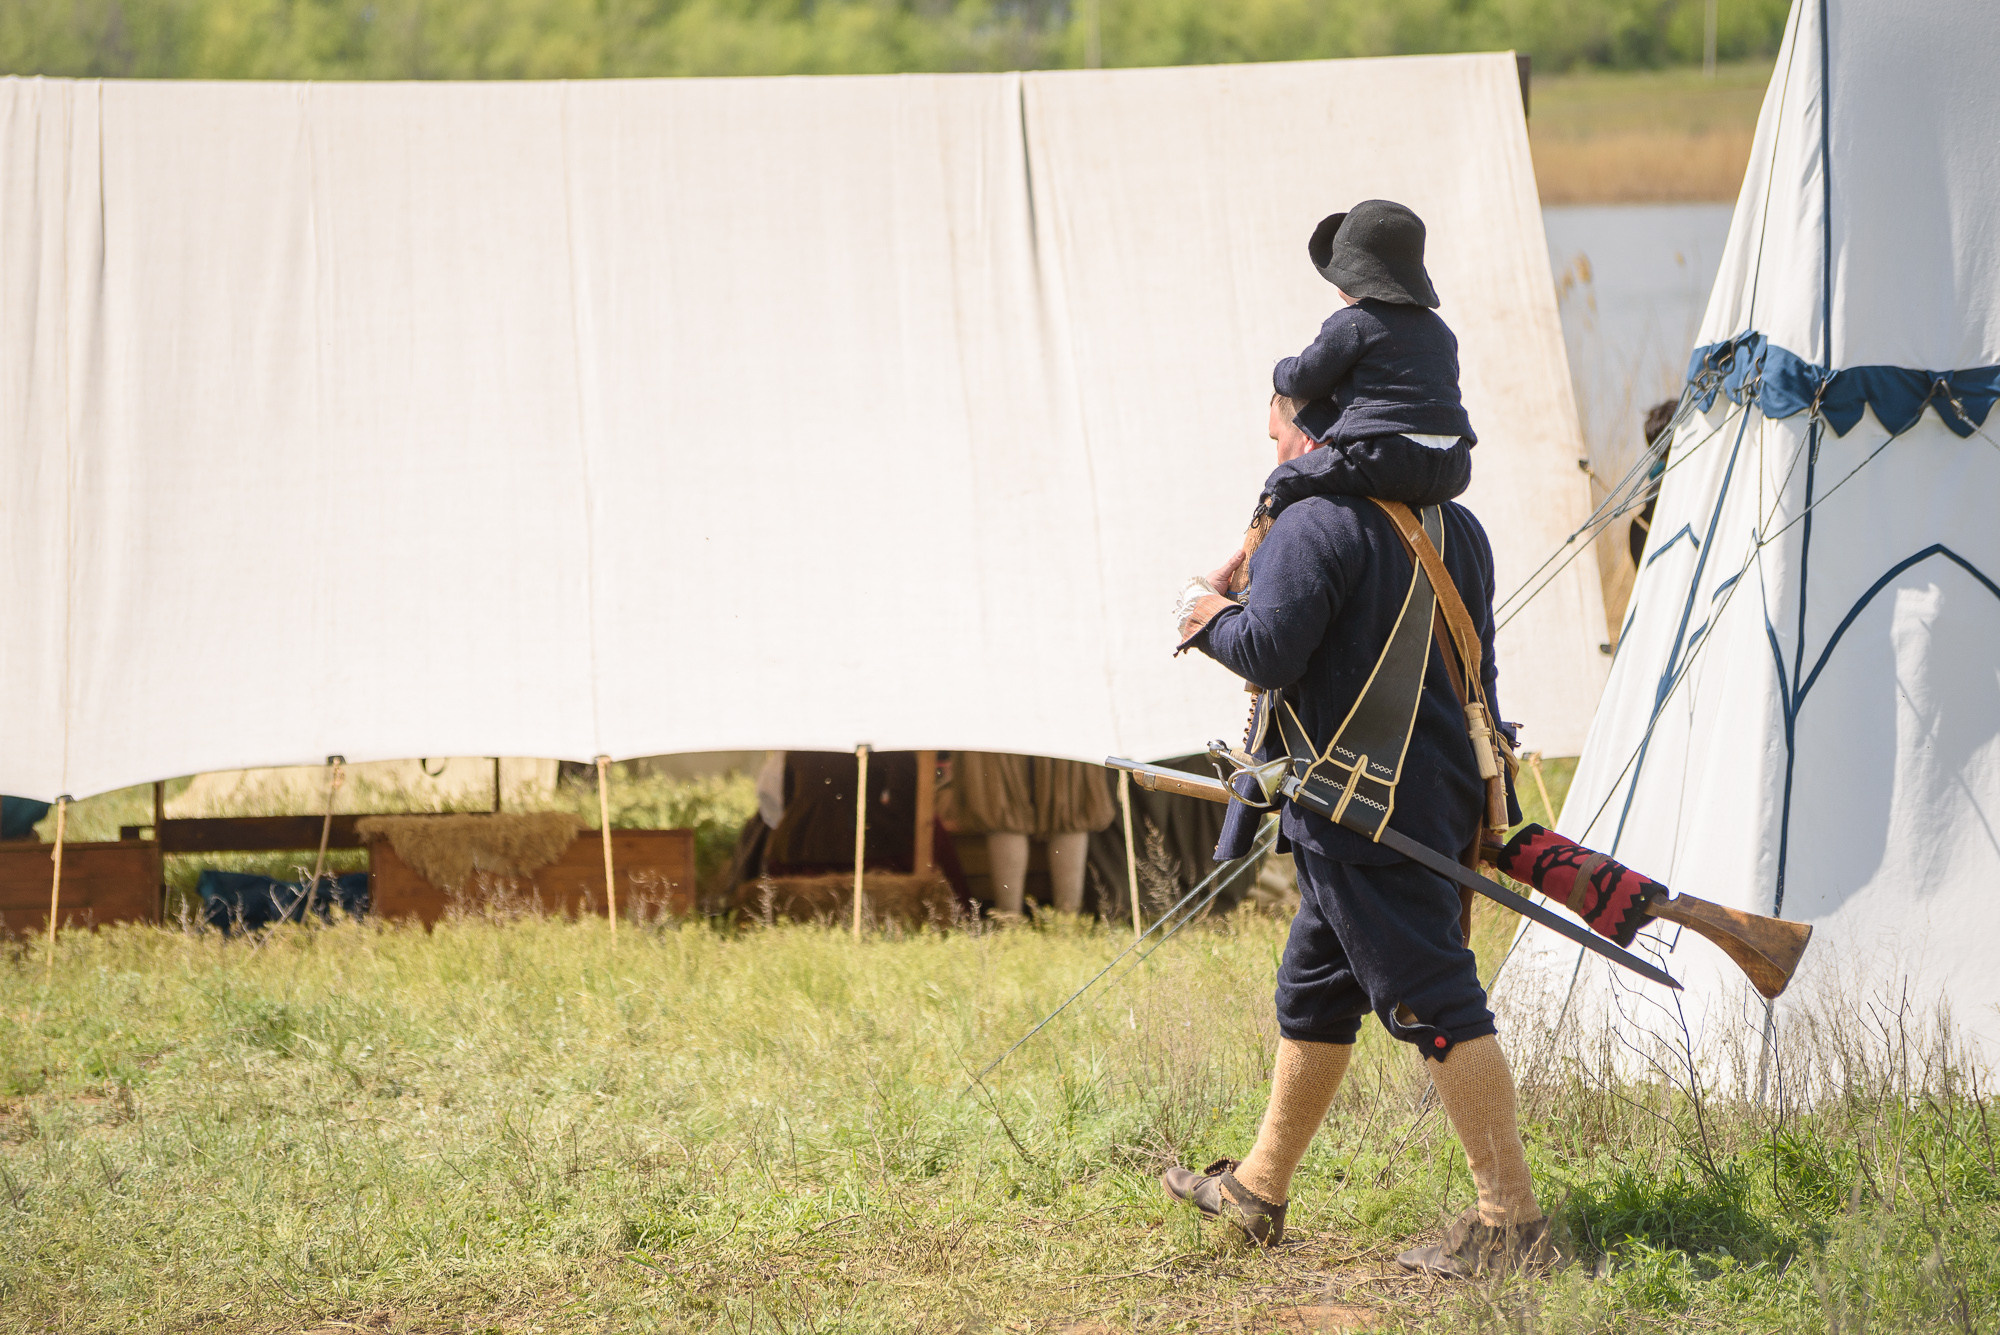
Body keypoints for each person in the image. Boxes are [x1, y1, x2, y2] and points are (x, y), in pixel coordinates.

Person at [1158, 204, 1554, 1280]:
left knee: (1434, 994)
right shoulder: (1452, 524)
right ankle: (1255, 1190)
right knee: (1315, 990)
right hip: (1420, 793)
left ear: (1315, 424)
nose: (1273, 440)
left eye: (1281, 424)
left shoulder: (1311, 524)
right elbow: (1478, 669)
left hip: (1358, 807)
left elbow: (1273, 651)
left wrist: (1203, 622)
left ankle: (1509, 1222)